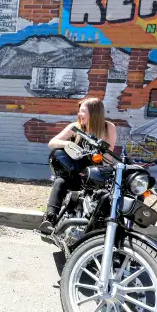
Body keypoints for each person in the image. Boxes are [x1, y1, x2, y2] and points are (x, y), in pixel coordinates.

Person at [39, 98, 117, 233]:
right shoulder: (76, 127)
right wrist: (66, 144)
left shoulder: (108, 128)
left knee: (107, 194)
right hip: (76, 172)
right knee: (60, 181)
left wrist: (106, 176)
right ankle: (50, 219)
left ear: (94, 113)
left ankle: (101, 226)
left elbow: (109, 156)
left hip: (96, 174)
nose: (80, 114)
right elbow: (52, 142)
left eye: (83, 111)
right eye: (79, 111)